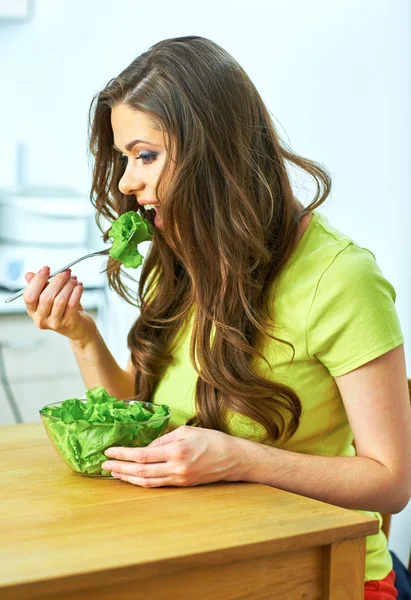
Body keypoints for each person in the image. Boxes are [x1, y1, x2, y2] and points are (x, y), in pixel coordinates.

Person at [23, 36, 409, 599]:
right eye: (124, 158)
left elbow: (390, 481)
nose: (127, 182)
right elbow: (144, 421)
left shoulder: (342, 278)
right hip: (193, 550)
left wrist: (240, 459)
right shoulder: (175, 258)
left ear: (215, 152)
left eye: (146, 155)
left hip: (321, 573)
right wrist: (81, 337)